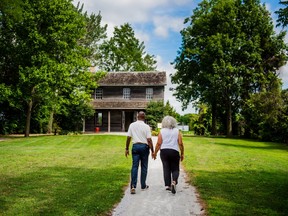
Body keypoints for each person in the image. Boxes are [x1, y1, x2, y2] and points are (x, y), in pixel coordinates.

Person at [152, 116, 184, 194]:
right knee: (175, 168)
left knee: (166, 167)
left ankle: (168, 185)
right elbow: (180, 143)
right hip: (174, 151)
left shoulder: (162, 131)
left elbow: (159, 143)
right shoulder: (177, 131)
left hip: (164, 151)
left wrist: (155, 153)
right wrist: (182, 153)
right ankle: (174, 181)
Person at [125, 111, 154, 194]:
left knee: (134, 166)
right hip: (144, 147)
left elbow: (128, 137)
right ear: (144, 117)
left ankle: (133, 186)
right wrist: (152, 151)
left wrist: (126, 148)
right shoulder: (146, 127)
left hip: (135, 147)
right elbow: (149, 140)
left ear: (137, 117)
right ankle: (143, 185)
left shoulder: (132, 125)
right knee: (144, 167)